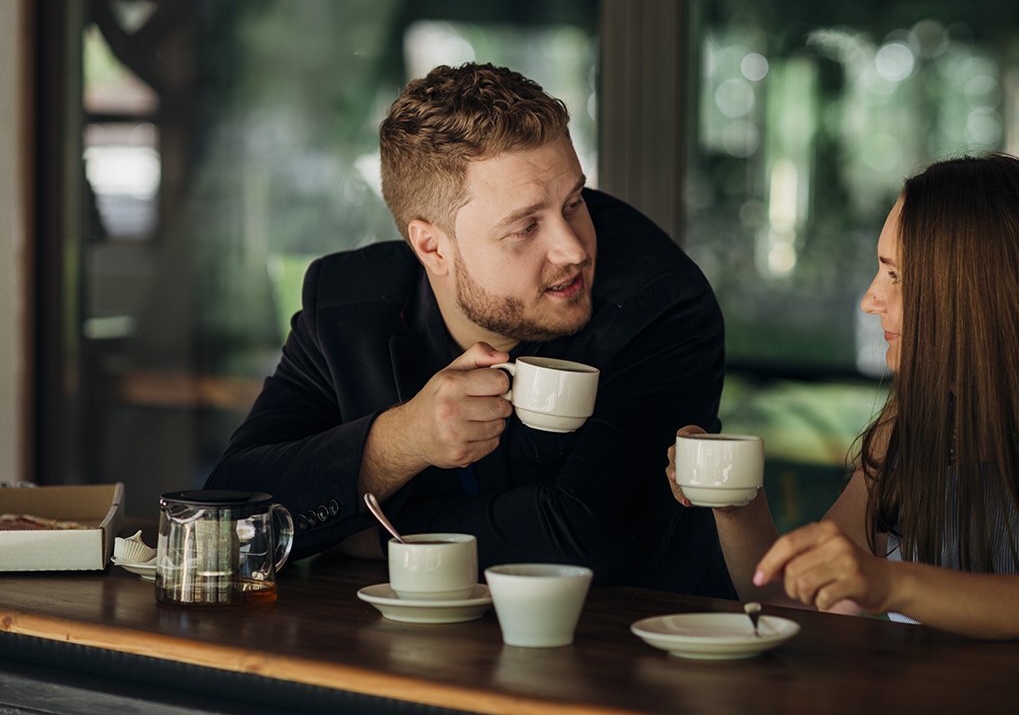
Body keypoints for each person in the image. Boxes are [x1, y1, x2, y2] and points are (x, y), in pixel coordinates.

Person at [207, 62, 734, 598]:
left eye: (575, 202)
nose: (574, 248)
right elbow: (229, 513)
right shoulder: (347, 305)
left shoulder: (659, 304)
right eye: (526, 225)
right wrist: (401, 440)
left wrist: (366, 535)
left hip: (631, 651)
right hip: (391, 649)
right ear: (432, 247)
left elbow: (586, 540)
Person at [667, 154, 1019, 650]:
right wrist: (735, 502)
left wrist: (892, 582)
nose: (870, 299)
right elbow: (794, 606)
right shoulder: (913, 421)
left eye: (895, 275)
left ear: (973, 291)